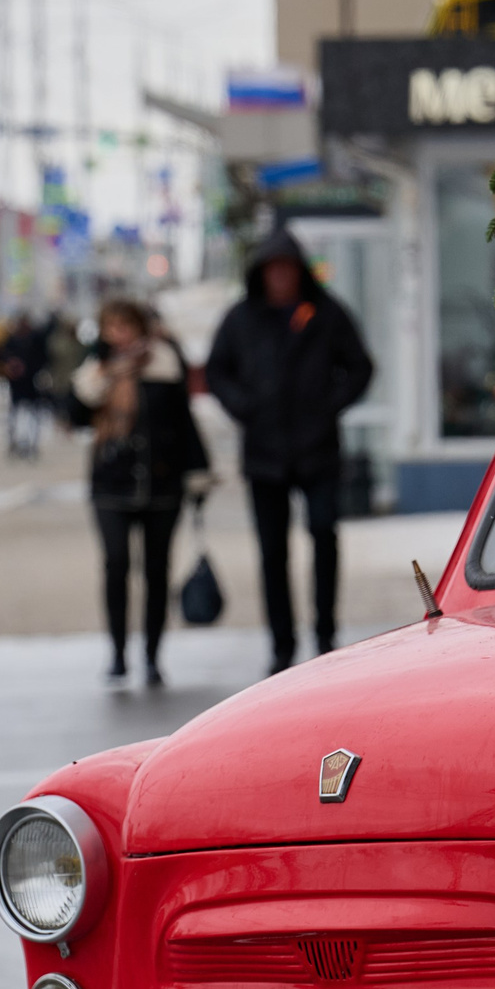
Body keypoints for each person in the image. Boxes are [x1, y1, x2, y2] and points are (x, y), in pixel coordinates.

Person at [204, 229, 373, 673]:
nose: (281, 276)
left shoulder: (325, 311)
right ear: (261, 274)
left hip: (318, 451)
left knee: (324, 536)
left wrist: (328, 406)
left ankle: (325, 634)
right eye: (273, 269)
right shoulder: (241, 318)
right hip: (264, 454)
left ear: (299, 272)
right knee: (272, 552)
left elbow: (360, 367)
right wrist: (244, 407)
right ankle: (281, 645)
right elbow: (217, 371)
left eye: (288, 268)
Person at [73, 297, 209, 686]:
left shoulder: (165, 364)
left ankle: (151, 655)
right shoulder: (94, 370)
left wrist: (198, 471)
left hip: (161, 481)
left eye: (125, 325)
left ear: (140, 327)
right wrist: (100, 377)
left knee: (156, 570)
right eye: (110, 326)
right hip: (110, 483)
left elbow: (183, 420)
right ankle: (117, 652)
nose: (119, 333)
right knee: (116, 565)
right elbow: (74, 414)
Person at [5, 309, 50, 462]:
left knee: (32, 416)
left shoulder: (36, 338)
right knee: (16, 416)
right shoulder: (12, 339)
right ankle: (17, 443)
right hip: (16, 385)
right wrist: (12, 367)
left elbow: (43, 358)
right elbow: (4, 356)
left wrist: (29, 369)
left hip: (32, 383)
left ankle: (31, 444)